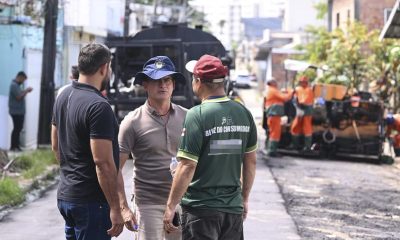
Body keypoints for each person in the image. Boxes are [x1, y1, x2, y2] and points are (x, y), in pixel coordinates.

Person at [163, 55, 258, 240]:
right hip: (232, 209)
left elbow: (187, 166)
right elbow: (251, 161)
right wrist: (244, 199)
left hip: (201, 210)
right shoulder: (244, 113)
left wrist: (170, 206)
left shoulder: (197, 115)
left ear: (198, 82)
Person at [51, 43, 135, 240]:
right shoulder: (98, 106)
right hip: (91, 203)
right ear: (104, 68)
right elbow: (103, 163)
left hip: (66, 196)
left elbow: (56, 145)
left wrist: (72, 174)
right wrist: (115, 208)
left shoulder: (63, 96)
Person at [118, 56, 187, 240]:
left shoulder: (188, 117)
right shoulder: (132, 122)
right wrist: (124, 209)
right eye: (156, 81)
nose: (162, 85)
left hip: (182, 202)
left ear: (173, 84)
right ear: (145, 85)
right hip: (148, 203)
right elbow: (114, 168)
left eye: (167, 80)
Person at [264, 79, 293, 157]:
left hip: (273, 115)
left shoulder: (270, 90)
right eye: (275, 82)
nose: (277, 83)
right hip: (274, 115)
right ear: (272, 83)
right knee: (275, 134)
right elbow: (285, 98)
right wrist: (290, 92)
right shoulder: (273, 90)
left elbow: (280, 97)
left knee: (273, 133)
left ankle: (270, 149)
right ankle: (272, 151)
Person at [8, 71, 32, 151]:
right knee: (17, 128)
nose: (23, 81)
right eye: (23, 80)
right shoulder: (14, 85)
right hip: (16, 112)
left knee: (18, 128)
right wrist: (26, 91)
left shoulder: (17, 85)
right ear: (20, 77)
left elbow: (20, 93)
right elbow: (18, 97)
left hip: (19, 111)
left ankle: (17, 146)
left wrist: (24, 91)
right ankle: (13, 146)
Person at [290, 75, 314, 151]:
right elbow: (294, 97)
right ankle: (295, 145)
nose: (303, 83)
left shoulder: (309, 90)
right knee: (295, 126)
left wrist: (301, 103)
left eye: (305, 82)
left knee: (307, 128)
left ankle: (307, 147)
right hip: (299, 109)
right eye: (302, 82)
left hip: (307, 110)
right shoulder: (297, 89)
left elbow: (306, 99)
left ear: (307, 83)